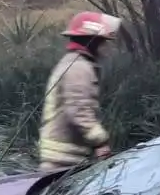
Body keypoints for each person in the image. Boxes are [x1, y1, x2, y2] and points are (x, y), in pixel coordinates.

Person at [38, 11, 121, 171]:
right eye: (104, 41)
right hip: (64, 159)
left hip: (64, 156)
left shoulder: (73, 63)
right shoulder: (78, 67)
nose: (107, 47)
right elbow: (78, 109)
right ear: (93, 41)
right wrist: (100, 141)